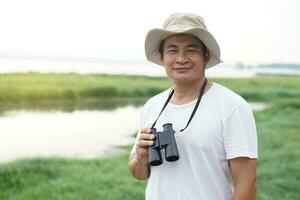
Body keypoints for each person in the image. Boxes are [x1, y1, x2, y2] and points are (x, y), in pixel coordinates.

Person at [128, 13, 258, 200]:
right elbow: (140, 174)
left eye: (191, 50)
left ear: (206, 57)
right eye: (172, 50)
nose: (181, 59)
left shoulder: (232, 107)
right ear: (163, 58)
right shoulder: (152, 106)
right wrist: (141, 158)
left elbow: (246, 184)